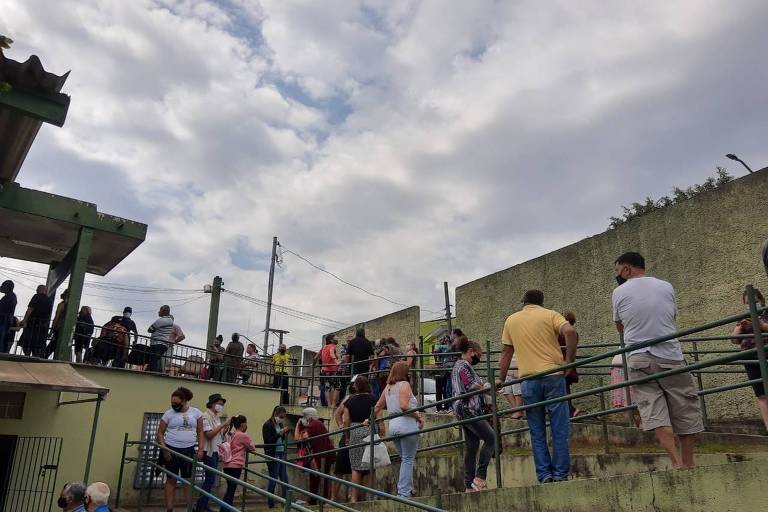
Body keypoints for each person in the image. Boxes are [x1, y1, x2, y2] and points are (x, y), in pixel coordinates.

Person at [612, 251, 703, 469]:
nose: (617, 275)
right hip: (670, 354)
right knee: (684, 408)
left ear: (626, 269)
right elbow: (672, 318)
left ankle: (675, 462)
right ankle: (689, 463)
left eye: (618, 270)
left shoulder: (618, 291)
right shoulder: (666, 286)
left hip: (638, 357)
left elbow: (620, 326)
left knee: (655, 412)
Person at [497, 289, 578, 484]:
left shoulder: (511, 320)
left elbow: (506, 353)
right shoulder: (550, 314)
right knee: (560, 428)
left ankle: (544, 475)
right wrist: (569, 360)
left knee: (537, 431)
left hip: (528, 380)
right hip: (554, 376)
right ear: (542, 302)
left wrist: (501, 379)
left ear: (523, 301)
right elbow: (570, 332)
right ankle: (560, 475)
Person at [452, 337, 495, 492]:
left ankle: (469, 483)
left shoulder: (462, 366)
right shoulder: (463, 366)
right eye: (478, 355)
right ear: (470, 352)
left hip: (466, 410)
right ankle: (480, 477)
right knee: (491, 438)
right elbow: (469, 386)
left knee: (472, 446)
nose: (478, 359)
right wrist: (486, 387)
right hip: (468, 409)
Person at [375, 361, 423, 498]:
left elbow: (378, 406)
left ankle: (410, 488)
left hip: (393, 426)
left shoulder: (388, 387)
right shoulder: (405, 385)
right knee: (408, 459)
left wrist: (370, 419)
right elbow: (404, 405)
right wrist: (419, 417)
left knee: (405, 458)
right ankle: (403, 492)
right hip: (407, 425)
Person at [156, 386, 204, 511]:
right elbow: (160, 432)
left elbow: (200, 432)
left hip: (188, 450)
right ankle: (169, 509)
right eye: (172, 403)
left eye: (176, 403)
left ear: (184, 401)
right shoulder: (168, 414)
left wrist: (200, 449)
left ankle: (190, 508)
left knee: (188, 480)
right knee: (171, 479)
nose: (174, 405)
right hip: (171, 449)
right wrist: (164, 449)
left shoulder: (196, 413)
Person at [731, 288, 768, 431]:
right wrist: (739, 328)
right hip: (750, 359)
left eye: (756, 302)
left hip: (766, 356)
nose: (752, 305)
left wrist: (759, 323)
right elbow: (734, 339)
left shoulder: (766, 313)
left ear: (762, 301)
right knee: (761, 395)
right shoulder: (743, 318)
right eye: (748, 303)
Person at [342, 376, 381, 503]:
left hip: (355, 432)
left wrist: (347, 437)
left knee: (356, 467)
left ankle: (353, 499)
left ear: (356, 387)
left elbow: (346, 421)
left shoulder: (350, 401)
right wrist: (383, 434)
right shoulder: (374, 399)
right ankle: (369, 498)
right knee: (371, 466)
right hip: (370, 432)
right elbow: (379, 418)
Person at [196, 393, 230, 512]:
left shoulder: (216, 416)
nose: (221, 406)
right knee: (210, 479)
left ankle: (203, 504)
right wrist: (222, 426)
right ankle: (200, 506)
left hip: (215, 451)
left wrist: (224, 430)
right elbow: (209, 435)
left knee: (211, 479)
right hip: (208, 451)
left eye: (222, 404)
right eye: (219, 404)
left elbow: (217, 435)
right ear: (212, 403)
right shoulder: (205, 416)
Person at [295, 407, 336, 504]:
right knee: (321, 478)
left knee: (316, 478)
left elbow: (298, 438)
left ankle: (316, 500)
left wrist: (297, 425)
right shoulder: (318, 424)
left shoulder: (313, 425)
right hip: (324, 455)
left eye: (303, 416)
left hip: (321, 456)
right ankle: (319, 500)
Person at [221, 415, 258, 511]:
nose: (246, 425)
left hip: (227, 464)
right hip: (235, 465)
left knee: (230, 489)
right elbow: (252, 447)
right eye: (246, 423)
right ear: (242, 424)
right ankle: (224, 509)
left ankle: (225, 509)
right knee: (231, 490)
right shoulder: (242, 435)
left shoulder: (231, 434)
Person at [262, 406, 290, 508]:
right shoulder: (267, 425)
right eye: (281, 416)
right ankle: (271, 504)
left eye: (284, 417)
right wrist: (279, 434)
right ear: (276, 414)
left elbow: (280, 440)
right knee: (273, 480)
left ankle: (287, 502)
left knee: (284, 479)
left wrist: (284, 433)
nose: (282, 418)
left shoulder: (280, 424)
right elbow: (268, 441)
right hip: (273, 454)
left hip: (281, 452)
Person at [332, 379, 355, 501]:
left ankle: (352, 496)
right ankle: (333, 497)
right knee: (340, 469)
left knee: (357, 469)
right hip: (347, 435)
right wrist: (341, 426)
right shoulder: (349, 398)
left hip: (355, 434)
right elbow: (337, 413)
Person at [19, 285, 54, 358]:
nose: (36, 290)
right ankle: (34, 359)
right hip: (42, 327)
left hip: (32, 324)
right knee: (37, 347)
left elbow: (30, 309)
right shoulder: (49, 301)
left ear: (40, 290)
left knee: (26, 344)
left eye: (37, 289)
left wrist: (24, 320)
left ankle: (27, 357)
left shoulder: (36, 296)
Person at [559, 311, 581, 417]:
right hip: (568, 363)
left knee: (563, 389)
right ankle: (570, 411)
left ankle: (571, 411)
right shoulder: (574, 333)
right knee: (564, 389)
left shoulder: (562, 334)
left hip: (562, 364)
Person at [610, 354, 641, 427]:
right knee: (629, 404)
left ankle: (636, 426)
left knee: (633, 403)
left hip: (627, 365)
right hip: (623, 366)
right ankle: (635, 426)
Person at [147, 305, 174, 373]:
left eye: (160, 310)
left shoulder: (162, 320)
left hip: (158, 343)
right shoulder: (170, 320)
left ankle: (152, 373)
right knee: (154, 359)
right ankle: (151, 371)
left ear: (164, 311)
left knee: (153, 359)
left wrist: (155, 330)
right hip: (163, 344)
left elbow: (150, 329)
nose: (159, 312)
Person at [320, 334, 341, 407]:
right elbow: (331, 353)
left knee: (327, 387)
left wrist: (313, 364)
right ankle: (333, 404)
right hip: (332, 370)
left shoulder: (324, 347)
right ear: (331, 340)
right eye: (336, 338)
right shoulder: (332, 346)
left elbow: (316, 356)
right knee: (337, 386)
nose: (337, 339)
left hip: (324, 370)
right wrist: (336, 361)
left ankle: (329, 404)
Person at [46, 289, 68, 358]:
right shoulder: (72, 307)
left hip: (58, 329)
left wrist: (51, 330)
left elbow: (56, 318)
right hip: (67, 331)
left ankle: (44, 357)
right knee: (59, 348)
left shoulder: (61, 305)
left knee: (50, 348)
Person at [502, 355, 524, 420]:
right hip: (508, 371)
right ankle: (516, 410)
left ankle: (519, 411)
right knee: (506, 391)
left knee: (517, 391)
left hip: (517, 371)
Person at [432, 336, 450, 412]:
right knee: (444, 390)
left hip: (441, 369)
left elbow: (435, 353)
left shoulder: (440, 347)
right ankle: (443, 407)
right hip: (442, 369)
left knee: (442, 390)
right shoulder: (447, 347)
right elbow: (435, 353)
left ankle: (442, 407)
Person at [0, 280, 17, 354]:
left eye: (3, 285)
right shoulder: (10, 296)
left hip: (4, 321)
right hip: (5, 320)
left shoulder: (10, 297)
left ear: (7, 287)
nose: (1, 287)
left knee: (1, 340)